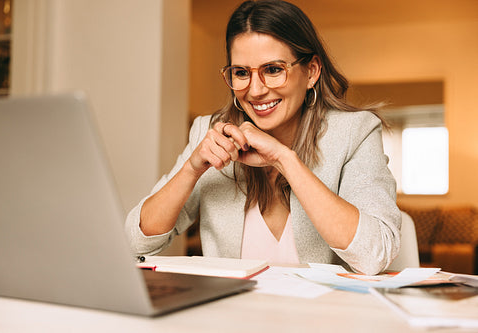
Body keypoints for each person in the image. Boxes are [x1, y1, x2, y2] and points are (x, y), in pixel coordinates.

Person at [125, 0, 401, 275]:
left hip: (327, 315)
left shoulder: (355, 132)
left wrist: (284, 159)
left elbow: (374, 255)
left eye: (273, 69)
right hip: (231, 314)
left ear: (312, 72)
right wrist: (191, 169)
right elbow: (135, 243)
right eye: (241, 73)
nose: (255, 90)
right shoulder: (209, 132)